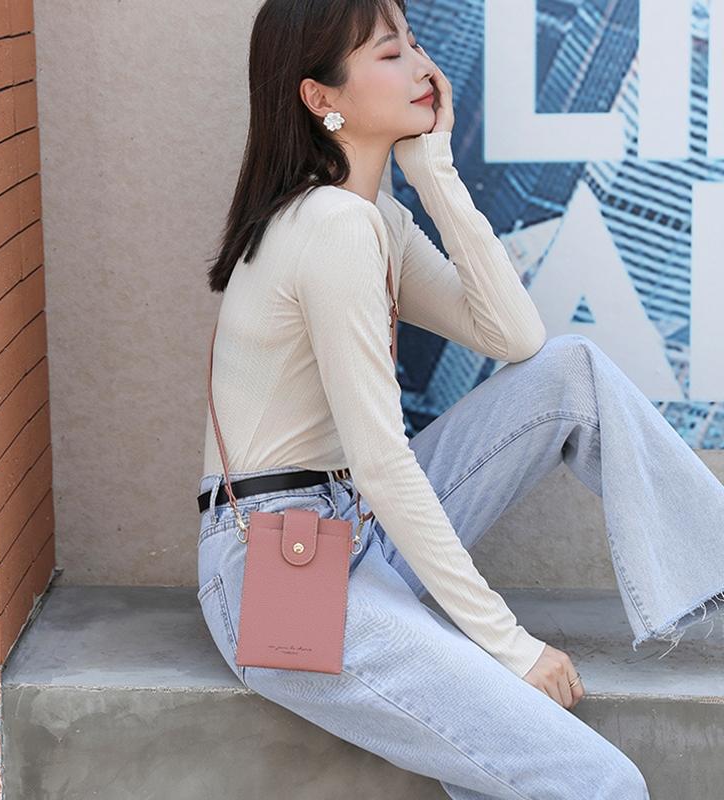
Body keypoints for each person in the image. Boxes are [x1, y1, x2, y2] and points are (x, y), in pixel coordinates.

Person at [196, 1, 724, 796]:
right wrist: (510, 645)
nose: (421, 67)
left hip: (354, 527)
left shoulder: (372, 214)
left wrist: (433, 171)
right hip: (278, 568)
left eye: (414, 43)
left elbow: (514, 336)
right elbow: (383, 461)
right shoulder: (332, 226)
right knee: (599, 784)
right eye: (389, 54)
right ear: (319, 96)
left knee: (571, 370)